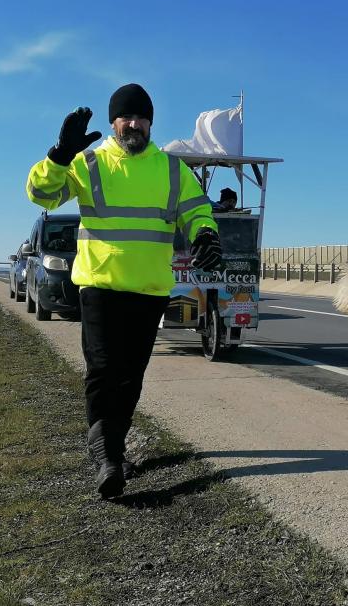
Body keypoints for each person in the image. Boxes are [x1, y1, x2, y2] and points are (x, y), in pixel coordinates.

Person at [26, 83, 222, 498]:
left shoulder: (171, 169)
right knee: (102, 370)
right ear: (114, 122)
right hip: (100, 286)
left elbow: (197, 210)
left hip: (149, 290)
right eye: (125, 117)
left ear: (150, 122)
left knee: (130, 375)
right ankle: (108, 458)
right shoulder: (90, 163)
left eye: (140, 117)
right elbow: (40, 194)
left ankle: (110, 447)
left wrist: (205, 235)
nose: (133, 124)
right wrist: (59, 156)